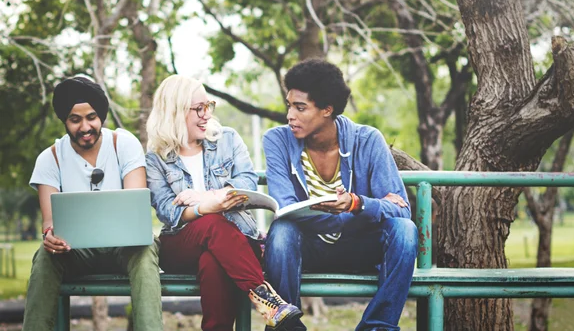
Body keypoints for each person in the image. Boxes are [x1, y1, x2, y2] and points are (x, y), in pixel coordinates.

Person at [263, 59, 418, 331]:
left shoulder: (367, 140)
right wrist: (353, 213)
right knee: (282, 231)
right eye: (289, 105)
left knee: (404, 230)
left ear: (327, 109)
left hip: (358, 246)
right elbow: (285, 208)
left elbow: (402, 210)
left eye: (300, 108)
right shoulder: (277, 140)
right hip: (307, 247)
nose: (290, 115)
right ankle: (286, 327)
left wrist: (356, 203)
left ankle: (377, 327)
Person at [145, 74, 303, 331]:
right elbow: (167, 211)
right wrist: (207, 207)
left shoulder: (227, 139)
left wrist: (207, 197)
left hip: (238, 239)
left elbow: (248, 183)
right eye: (198, 108)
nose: (206, 114)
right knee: (212, 223)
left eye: (208, 106)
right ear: (173, 111)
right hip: (181, 244)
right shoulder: (156, 159)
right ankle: (268, 300)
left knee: (213, 260)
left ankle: (265, 309)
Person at [23, 75, 163, 331]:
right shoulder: (50, 159)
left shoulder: (124, 144)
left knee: (144, 250)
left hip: (126, 250)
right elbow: (49, 223)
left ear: (101, 117)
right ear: (64, 121)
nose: (85, 126)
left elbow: (135, 207)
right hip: (76, 253)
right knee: (45, 255)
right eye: (75, 120)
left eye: (91, 117)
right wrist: (50, 236)